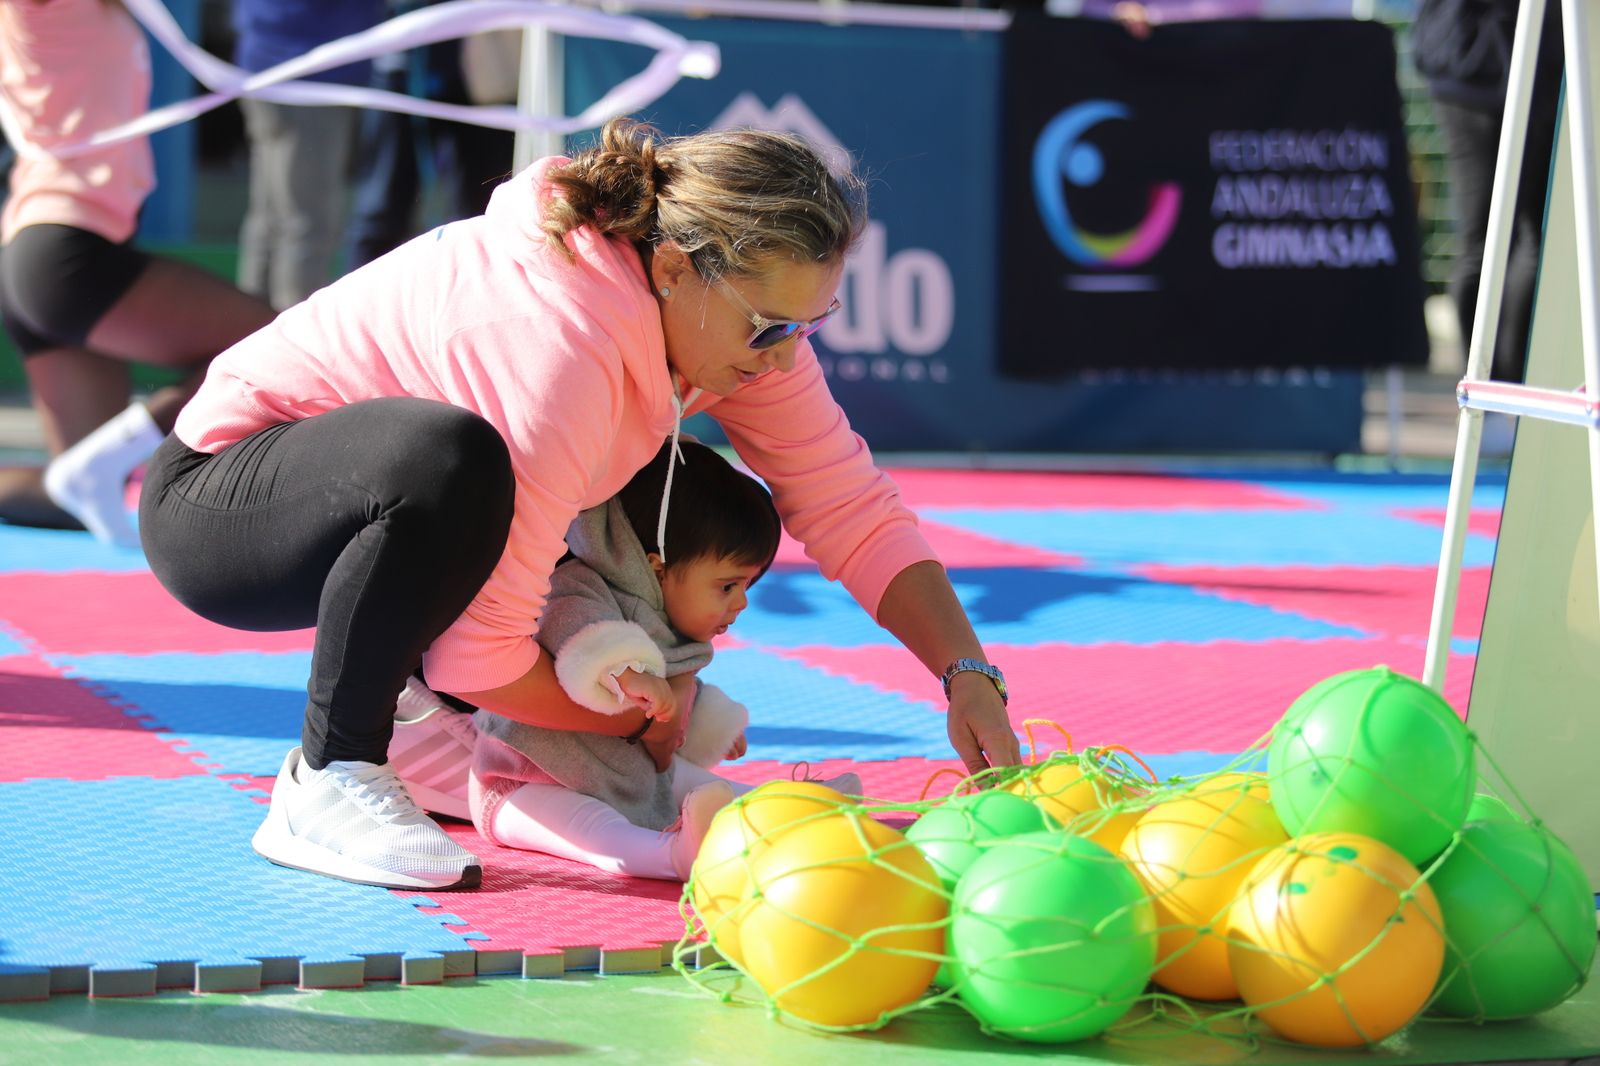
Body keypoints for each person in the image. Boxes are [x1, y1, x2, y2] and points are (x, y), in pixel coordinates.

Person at [138, 117, 1022, 893]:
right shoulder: (559, 337)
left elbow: (849, 504)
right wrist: (647, 714)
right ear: (677, 268)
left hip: (371, 522)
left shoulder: (724, 318)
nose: (786, 359)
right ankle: (331, 773)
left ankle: (429, 745)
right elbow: (479, 657)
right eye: (771, 329)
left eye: (809, 328)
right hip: (220, 508)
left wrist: (965, 674)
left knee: (620, 498)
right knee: (454, 462)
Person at [467, 438, 860, 880]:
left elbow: (679, 687)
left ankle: (789, 809)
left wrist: (705, 720)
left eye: (746, 586)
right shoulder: (584, 585)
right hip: (522, 783)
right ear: (657, 568)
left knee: (698, 784)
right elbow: (577, 629)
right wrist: (626, 671)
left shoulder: (665, 617)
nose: (742, 603)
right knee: (596, 829)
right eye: (728, 586)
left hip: (625, 774)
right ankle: (672, 854)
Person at [0, 0, 276, 544]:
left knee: (72, 495)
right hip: (63, 252)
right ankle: (128, 443)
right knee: (271, 347)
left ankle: (109, 457)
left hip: (40, 253)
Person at [1413, 0, 1564, 388]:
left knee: (1525, 237)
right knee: (1503, 238)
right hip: (1487, 70)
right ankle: (1492, 389)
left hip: (1524, 69)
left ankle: (1505, 389)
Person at [231, 0, 384, 310]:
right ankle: (292, 342)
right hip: (306, 72)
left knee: (272, 218)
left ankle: (248, 332)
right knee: (306, 225)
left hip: (273, 64)